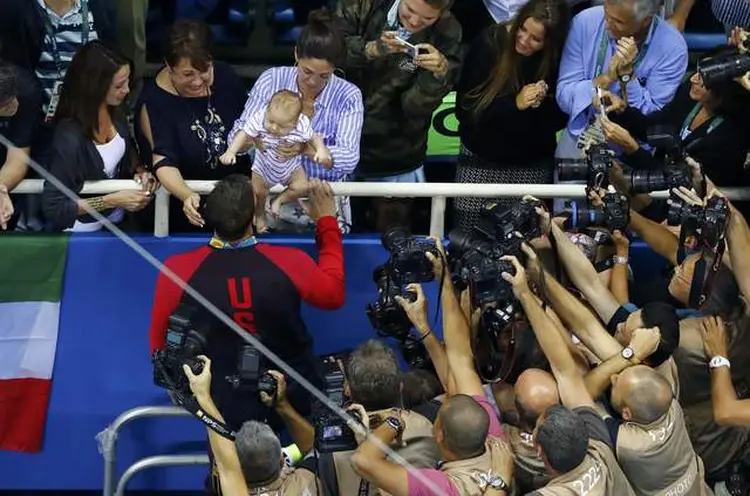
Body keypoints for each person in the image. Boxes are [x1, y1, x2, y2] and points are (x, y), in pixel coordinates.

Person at [148, 177, 344, 455]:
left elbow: (158, 349)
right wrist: (327, 222)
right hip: (293, 399)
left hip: (219, 404)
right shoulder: (291, 261)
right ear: (253, 216)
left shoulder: (177, 270)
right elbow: (333, 294)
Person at [228, 10, 363, 234]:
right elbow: (236, 138)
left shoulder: (349, 95)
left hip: (323, 198)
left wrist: (305, 150)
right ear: (296, 55)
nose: (312, 81)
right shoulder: (272, 80)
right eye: (307, 71)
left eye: (324, 76)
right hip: (271, 194)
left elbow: (349, 159)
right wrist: (254, 140)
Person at [336, 0, 463, 233]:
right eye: (410, 11)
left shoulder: (448, 31)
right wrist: (372, 49)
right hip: (336, 141)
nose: (415, 22)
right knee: (333, 231)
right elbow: (329, 52)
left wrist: (437, 76)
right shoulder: (362, 5)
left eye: (427, 19)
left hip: (397, 151)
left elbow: (414, 106)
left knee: (393, 234)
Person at [455, 0, 570, 231]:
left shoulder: (559, 60)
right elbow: (465, 111)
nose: (524, 40)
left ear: (550, 42)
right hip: (481, 160)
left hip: (532, 164)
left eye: (536, 39)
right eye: (522, 29)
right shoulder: (488, 44)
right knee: (469, 241)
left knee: (525, 242)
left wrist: (541, 104)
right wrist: (514, 103)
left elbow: (561, 116)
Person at [135, 19, 249, 232]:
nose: (197, 81)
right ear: (169, 66)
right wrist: (188, 195)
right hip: (184, 216)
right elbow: (163, 161)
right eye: (187, 74)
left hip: (237, 211)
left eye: (204, 70)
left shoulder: (227, 78)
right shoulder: (154, 102)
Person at [599, 48, 750, 192]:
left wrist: (632, 149)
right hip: (656, 182)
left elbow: (682, 183)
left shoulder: (730, 137)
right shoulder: (690, 95)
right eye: (697, 70)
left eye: (703, 77)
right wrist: (621, 110)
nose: (693, 78)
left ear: (724, 89)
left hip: (689, 201)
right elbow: (652, 127)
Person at [41, 41, 155, 232]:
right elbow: (54, 207)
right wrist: (111, 200)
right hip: (80, 233)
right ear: (95, 86)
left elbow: (126, 148)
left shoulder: (116, 111)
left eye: (128, 81)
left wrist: (139, 168)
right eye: (119, 85)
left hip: (116, 222)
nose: (127, 90)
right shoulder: (68, 137)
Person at [555, 0, 687, 162]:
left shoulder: (673, 48)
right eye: (606, 14)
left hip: (632, 150)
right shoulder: (584, 22)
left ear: (646, 20)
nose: (607, 25)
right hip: (582, 135)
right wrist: (607, 79)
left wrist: (627, 77)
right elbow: (564, 96)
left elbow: (650, 122)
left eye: (618, 21)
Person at [182, 356, 320, 495]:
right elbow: (316, 449)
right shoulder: (309, 483)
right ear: (283, 461)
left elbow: (228, 467)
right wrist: (282, 405)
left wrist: (203, 396)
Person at [221, 90, 332, 233]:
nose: (273, 128)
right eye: (271, 121)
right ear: (267, 111)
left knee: (302, 187)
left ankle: (279, 201)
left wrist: (321, 151)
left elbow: (315, 138)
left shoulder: (302, 124)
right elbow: (243, 134)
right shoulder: (259, 117)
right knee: (258, 194)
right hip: (264, 166)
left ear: (294, 124)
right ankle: (260, 214)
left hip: (291, 168)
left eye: (281, 126)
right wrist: (231, 151)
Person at [0, 61, 42, 231]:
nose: (15, 104)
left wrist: (0, 188)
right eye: (6, 105)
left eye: (13, 97)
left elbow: (18, 158)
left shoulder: (25, 89)